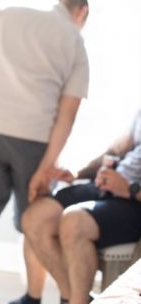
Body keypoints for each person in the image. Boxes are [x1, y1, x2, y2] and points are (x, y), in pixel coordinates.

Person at [0, 0, 90, 299]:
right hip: (33, 139)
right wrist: (47, 166)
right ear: (81, 12)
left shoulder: (3, 13)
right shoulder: (73, 39)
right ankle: (34, 297)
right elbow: (68, 114)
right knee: (34, 223)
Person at [20, 108, 141, 304]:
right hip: (107, 186)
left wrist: (130, 189)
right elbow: (118, 148)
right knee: (36, 216)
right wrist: (80, 174)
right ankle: (74, 299)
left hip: (134, 200)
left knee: (74, 221)